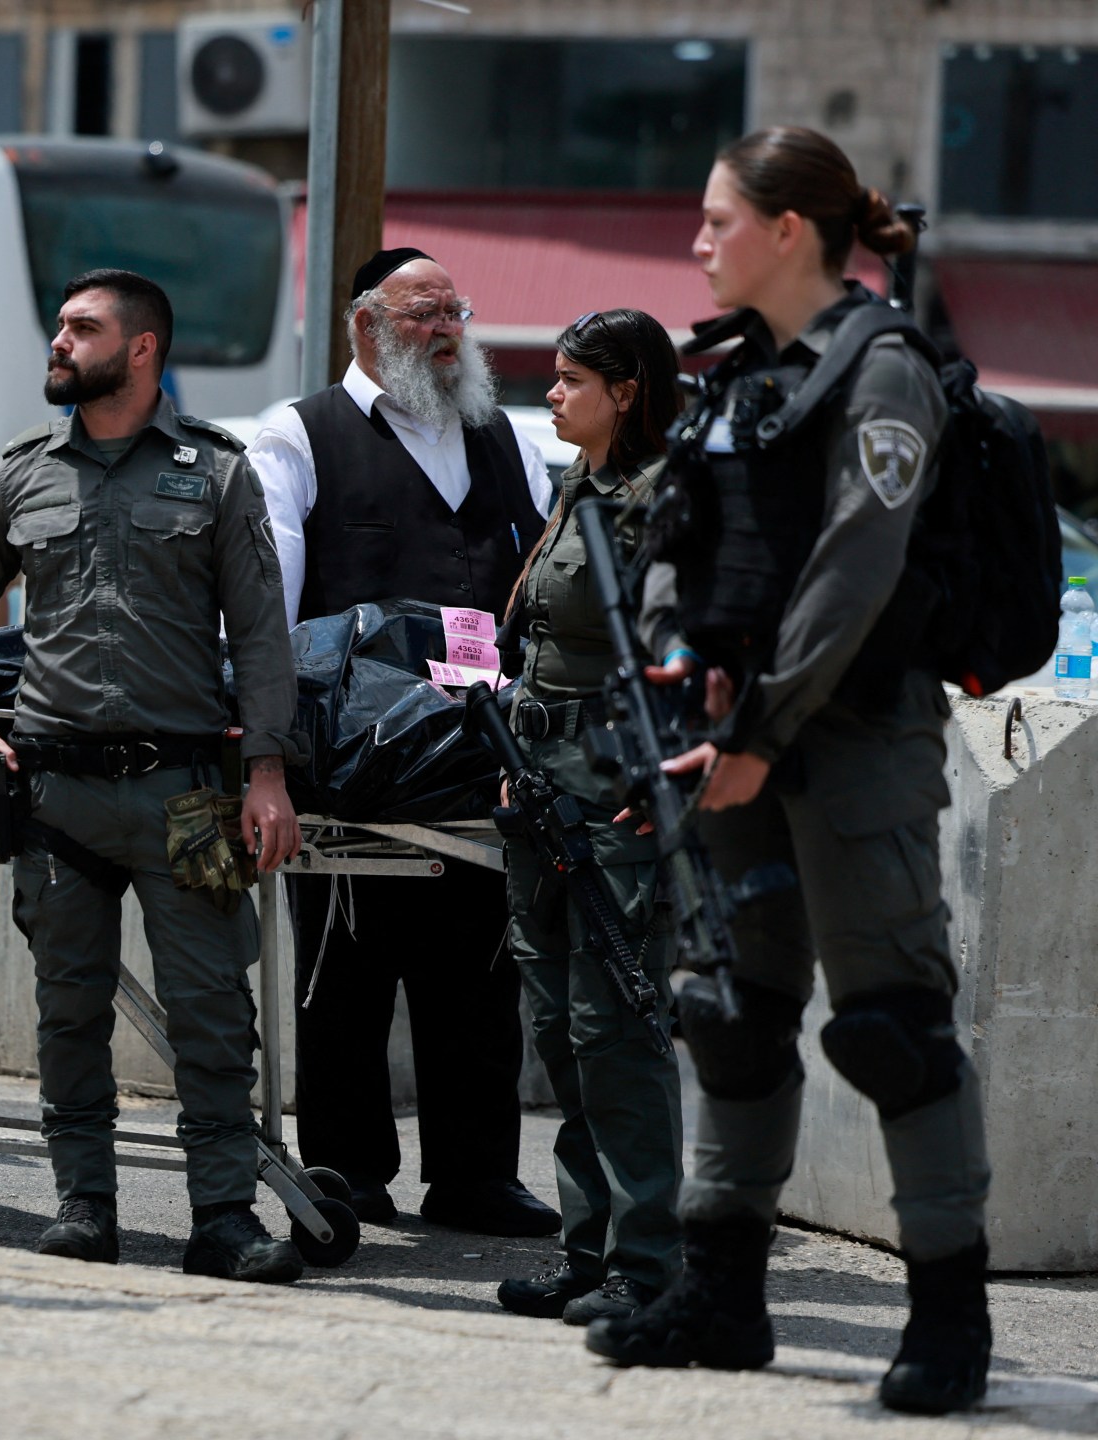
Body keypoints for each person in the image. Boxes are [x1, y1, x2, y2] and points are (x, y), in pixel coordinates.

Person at [583, 127, 993, 1417]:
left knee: (892, 1027)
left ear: (789, 231)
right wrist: (678, 664)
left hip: (854, 741)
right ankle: (720, 1298)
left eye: (718, 221)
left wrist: (759, 731)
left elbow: (856, 571)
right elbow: (673, 538)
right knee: (731, 1013)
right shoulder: (736, 380)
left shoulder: (883, 370)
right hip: (729, 739)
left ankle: (950, 1319)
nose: (698, 243)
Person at [0, 268, 309, 1283]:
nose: (59, 341)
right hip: (55, 794)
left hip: (187, 795)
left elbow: (261, 637)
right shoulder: (22, 472)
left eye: (82, 328)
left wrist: (267, 773)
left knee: (214, 1013)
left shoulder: (214, 471)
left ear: (140, 349)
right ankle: (83, 1205)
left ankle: (222, 1219)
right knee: (67, 1010)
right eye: (60, 326)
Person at [250, 246, 560, 1236]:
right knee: (345, 973)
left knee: (480, 971)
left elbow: (543, 588)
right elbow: (266, 609)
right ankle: (347, 1170)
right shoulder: (299, 437)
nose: (446, 331)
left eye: (454, 312)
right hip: (351, 762)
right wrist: (268, 756)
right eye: (424, 313)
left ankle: (476, 1175)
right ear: (366, 326)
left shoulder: (506, 440)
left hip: (478, 756)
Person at [491, 309, 686, 1326]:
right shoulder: (579, 483)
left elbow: (687, 656)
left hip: (616, 788)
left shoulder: (665, 500)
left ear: (627, 391)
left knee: (615, 1028)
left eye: (573, 380)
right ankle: (587, 1249)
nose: (555, 394)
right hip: (542, 781)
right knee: (559, 1030)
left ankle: (645, 1265)